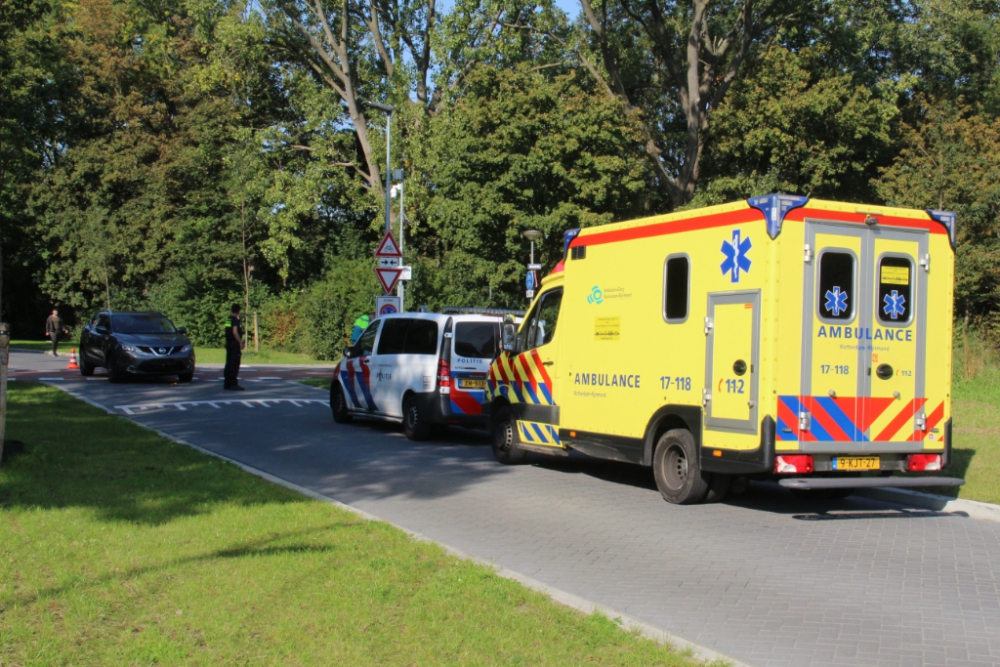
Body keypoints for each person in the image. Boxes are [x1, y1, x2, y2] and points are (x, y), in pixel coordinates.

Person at [223, 304, 244, 390]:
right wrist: (240, 342)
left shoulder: (228, 319)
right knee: (234, 364)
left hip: (228, 343)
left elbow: (228, 330)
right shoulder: (235, 320)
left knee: (229, 363)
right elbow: (235, 332)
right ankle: (233, 383)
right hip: (234, 344)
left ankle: (227, 383)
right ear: (238, 311)